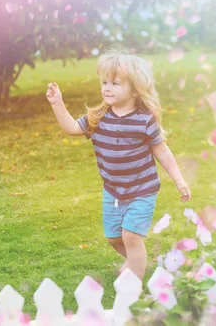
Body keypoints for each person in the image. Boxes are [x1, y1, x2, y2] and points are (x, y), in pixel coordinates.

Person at [46, 49, 191, 281]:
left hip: (142, 190)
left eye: (115, 83)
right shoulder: (98, 117)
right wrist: (57, 104)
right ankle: (137, 259)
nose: (106, 88)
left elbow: (162, 151)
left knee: (131, 237)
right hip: (113, 191)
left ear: (134, 88)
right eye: (105, 82)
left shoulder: (144, 121)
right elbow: (72, 128)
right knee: (114, 238)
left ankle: (134, 289)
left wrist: (180, 180)